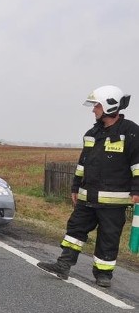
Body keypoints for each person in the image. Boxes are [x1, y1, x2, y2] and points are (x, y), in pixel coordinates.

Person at [37, 85, 139, 287]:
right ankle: (63, 264)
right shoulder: (92, 133)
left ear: (110, 106)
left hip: (113, 200)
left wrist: (137, 190)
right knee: (75, 229)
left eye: (97, 106)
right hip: (87, 196)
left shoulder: (131, 132)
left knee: (108, 237)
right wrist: (75, 187)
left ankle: (103, 275)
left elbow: (137, 164)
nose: (94, 110)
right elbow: (82, 163)